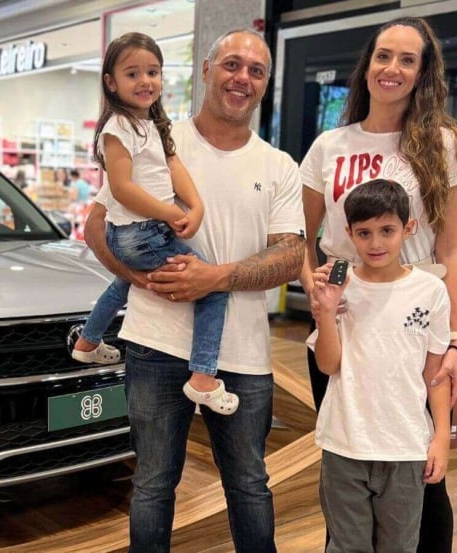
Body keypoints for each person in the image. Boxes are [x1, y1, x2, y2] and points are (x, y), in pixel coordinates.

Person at [86, 29, 304, 552]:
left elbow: (291, 254)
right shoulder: (152, 137)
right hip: (156, 344)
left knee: (250, 485)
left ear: (265, 84)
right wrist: (140, 278)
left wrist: (215, 278)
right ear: (206, 70)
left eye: (255, 71)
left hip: (243, 354)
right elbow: (98, 225)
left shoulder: (278, 166)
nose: (242, 78)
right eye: (231, 64)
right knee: (154, 485)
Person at [298, 17, 457, 552]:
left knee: (424, 469)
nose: (392, 68)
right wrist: (317, 294)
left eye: (407, 59)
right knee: (346, 466)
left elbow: (452, 249)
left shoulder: (441, 144)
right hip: (343, 323)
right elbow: (301, 239)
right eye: (383, 56)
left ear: (423, 72)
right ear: (367, 65)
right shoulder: (330, 144)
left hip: (413, 325)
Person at [72, 32, 237, 415]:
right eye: (133, 73)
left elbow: (173, 165)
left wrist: (194, 207)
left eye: (153, 71)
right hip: (141, 233)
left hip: (137, 233)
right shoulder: (118, 128)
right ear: (110, 82)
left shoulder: (150, 123)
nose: (145, 81)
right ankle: (203, 378)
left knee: (124, 282)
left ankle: (87, 341)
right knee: (213, 287)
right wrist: (171, 212)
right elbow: (122, 188)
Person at [309, 179, 451, 553]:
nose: (375, 243)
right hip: (345, 443)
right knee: (346, 546)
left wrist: (440, 437)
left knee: (400, 546)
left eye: (387, 230)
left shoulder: (430, 290)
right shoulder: (337, 283)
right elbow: (328, 365)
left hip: (405, 445)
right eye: (364, 233)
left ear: (408, 228)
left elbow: (435, 374)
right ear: (349, 234)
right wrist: (325, 312)